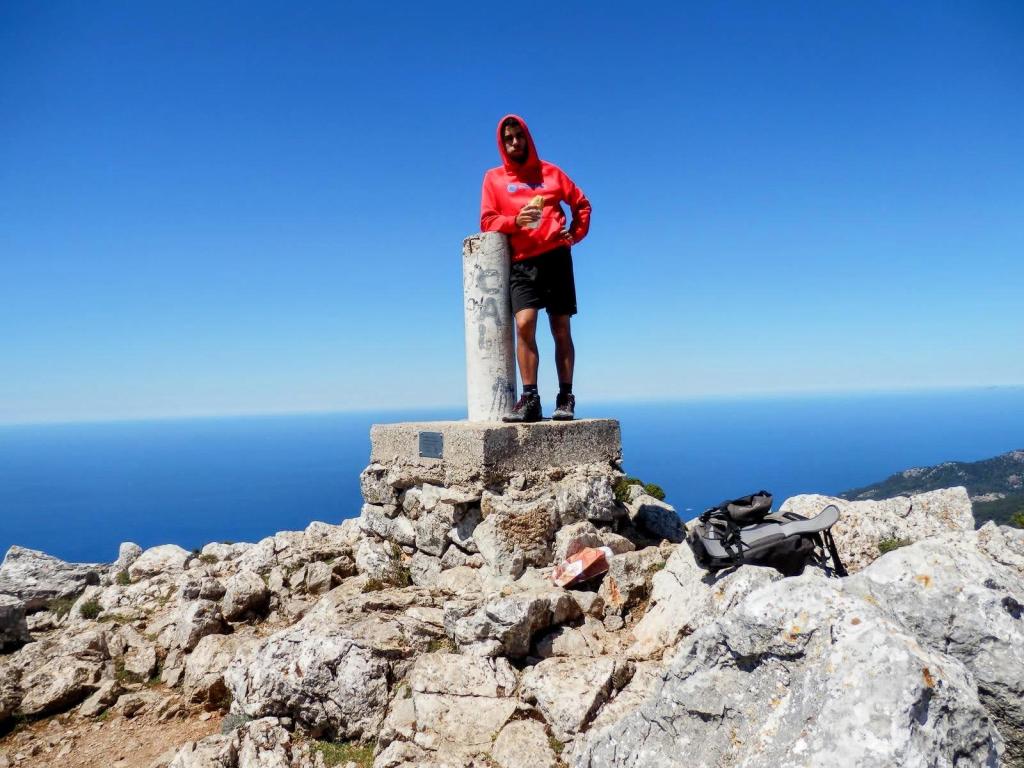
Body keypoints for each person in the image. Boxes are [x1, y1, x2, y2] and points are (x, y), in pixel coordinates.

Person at [480, 114, 592, 423]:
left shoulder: (551, 173)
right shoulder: (494, 178)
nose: (515, 142)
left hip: (556, 257)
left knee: (560, 328)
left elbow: (581, 204)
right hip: (522, 261)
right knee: (525, 324)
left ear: (528, 138)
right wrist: (515, 221)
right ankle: (530, 399)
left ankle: (565, 397)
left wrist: (575, 233)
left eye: (519, 136)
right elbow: (487, 221)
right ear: (502, 143)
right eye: (508, 138)